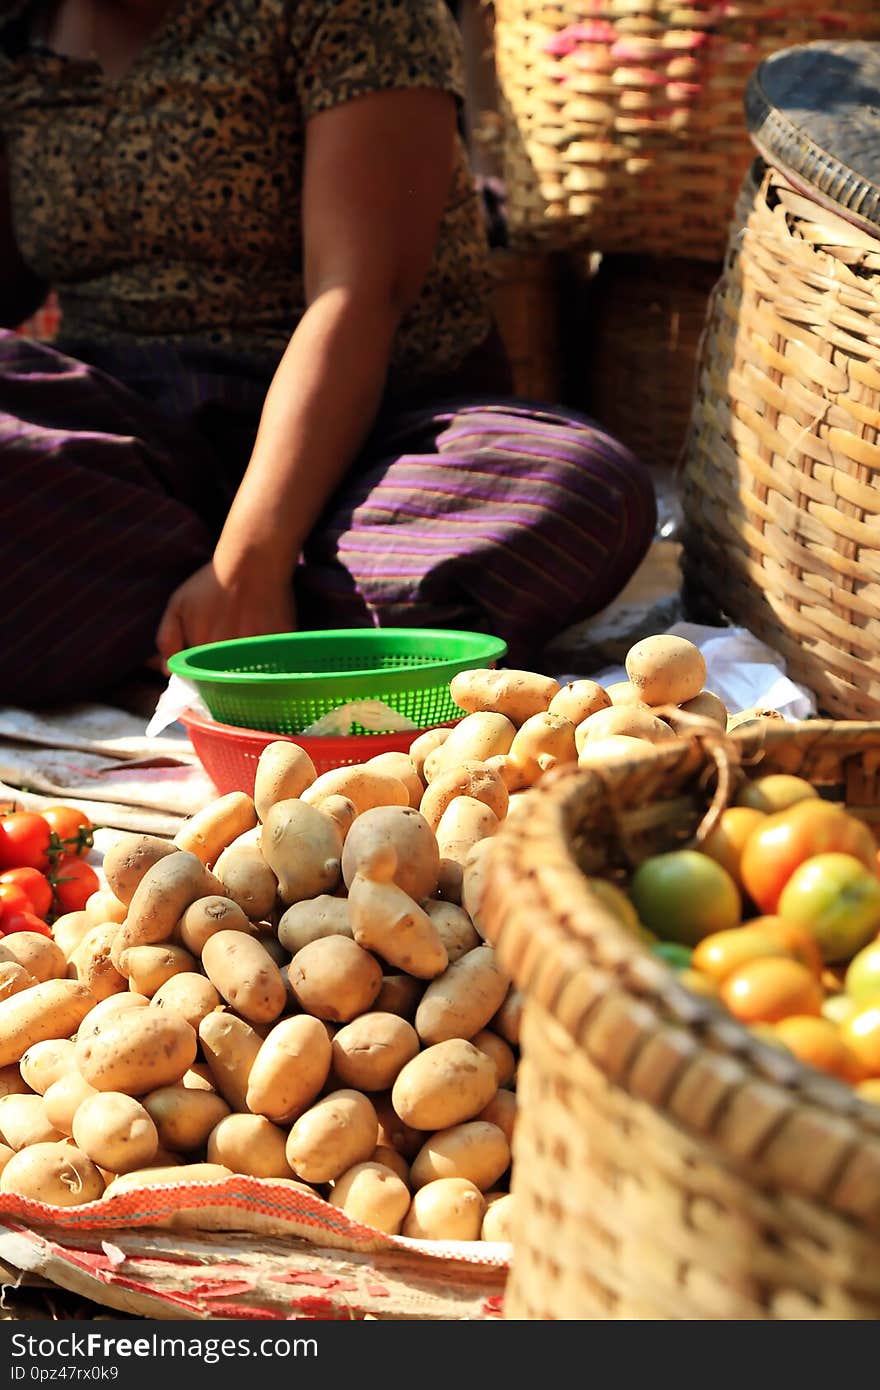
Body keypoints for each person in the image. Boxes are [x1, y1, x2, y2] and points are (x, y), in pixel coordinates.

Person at [0, 0, 656, 706]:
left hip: (369, 454)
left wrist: (251, 560)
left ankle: (186, 618)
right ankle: (283, 635)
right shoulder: (20, 31)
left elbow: (358, 294)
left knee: (584, 490)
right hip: (129, 452)